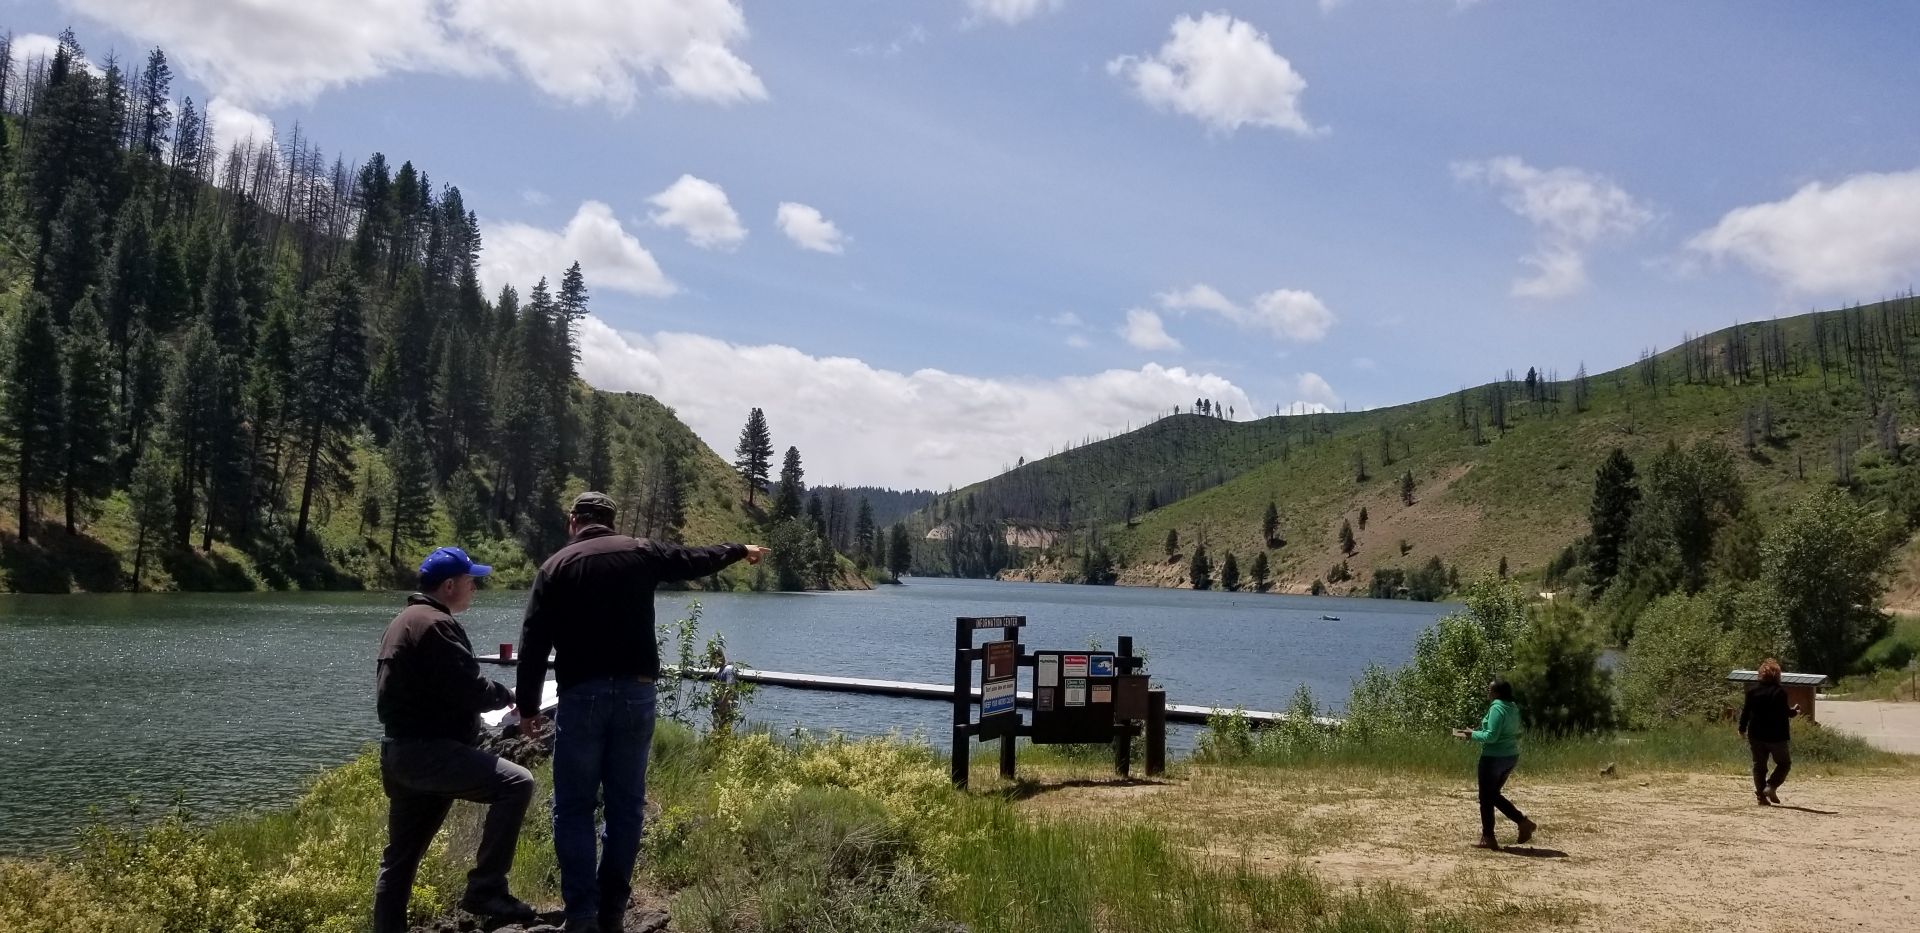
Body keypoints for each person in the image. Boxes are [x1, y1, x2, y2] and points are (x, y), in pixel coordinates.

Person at [516, 492, 769, 933]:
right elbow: (694, 560)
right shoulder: (641, 552)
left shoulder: (555, 567)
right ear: (612, 522)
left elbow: (534, 643)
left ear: (574, 521)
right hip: (637, 694)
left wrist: (528, 708)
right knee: (626, 806)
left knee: (574, 807)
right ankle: (613, 909)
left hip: (582, 697)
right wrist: (737, 550)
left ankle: (581, 915)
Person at [373, 547, 537, 933]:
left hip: (401, 755)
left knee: (399, 860)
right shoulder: (435, 624)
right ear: (449, 585)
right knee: (517, 783)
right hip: (431, 753)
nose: (474, 589)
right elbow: (469, 687)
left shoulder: (404, 621)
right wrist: (507, 695)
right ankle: (485, 889)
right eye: (470, 581)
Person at [1452, 676, 1537, 850]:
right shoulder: (1512, 707)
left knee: (1486, 797)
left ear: (1497, 693)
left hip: (1494, 758)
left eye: (1490, 690)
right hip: (1510, 756)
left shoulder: (1497, 708)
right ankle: (1522, 824)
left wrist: (1470, 734)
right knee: (1492, 795)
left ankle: (1491, 837)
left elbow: (1491, 736)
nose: (1487, 692)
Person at [1738, 658, 1799, 806]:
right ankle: (1770, 787)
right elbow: (1785, 712)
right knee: (1784, 764)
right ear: (1777, 675)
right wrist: (1794, 711)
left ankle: (1762, 797)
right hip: (1777, 736)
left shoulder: (1752, 691)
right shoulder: (1780, 692)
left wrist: (1741, 728)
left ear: (1761, 675)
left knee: (1759, 766)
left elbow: (1745, 712)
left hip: (1756, 735)